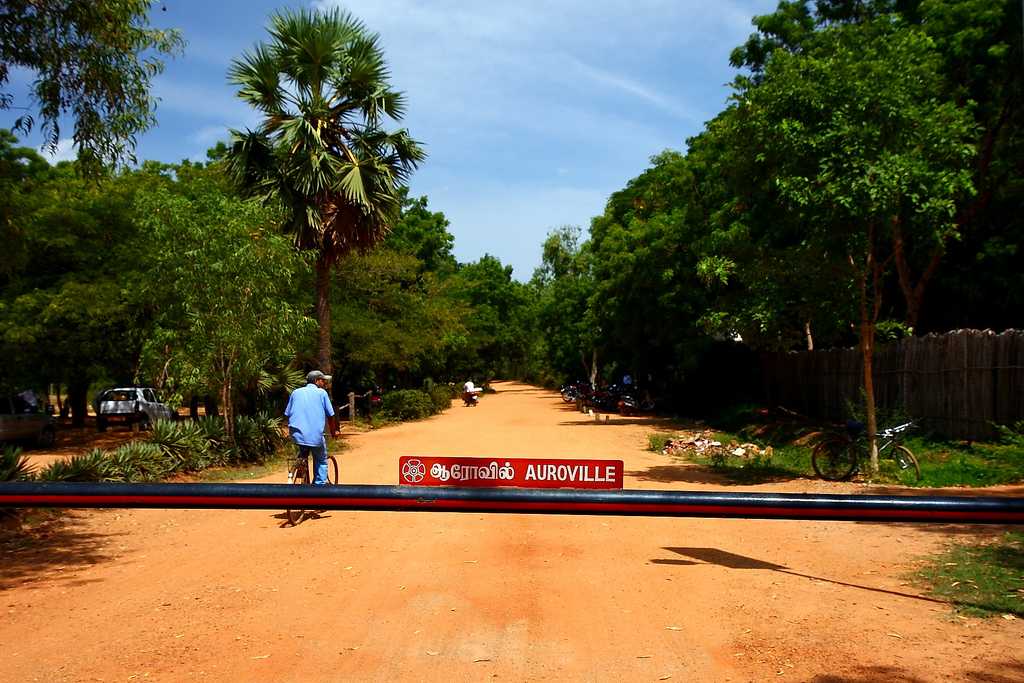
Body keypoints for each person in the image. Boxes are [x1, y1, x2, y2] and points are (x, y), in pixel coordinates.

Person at [284, 370, 339, 485]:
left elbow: (287, 414)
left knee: (303, 449)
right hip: (315, 436)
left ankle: (300, 467)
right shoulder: (322, 393)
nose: (324, 383)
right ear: (316, 381)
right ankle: (319, 488)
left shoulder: (295, 392)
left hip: (296, 435)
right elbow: (331, 415)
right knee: (321, 460)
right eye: (322, 380)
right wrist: (334, 432)